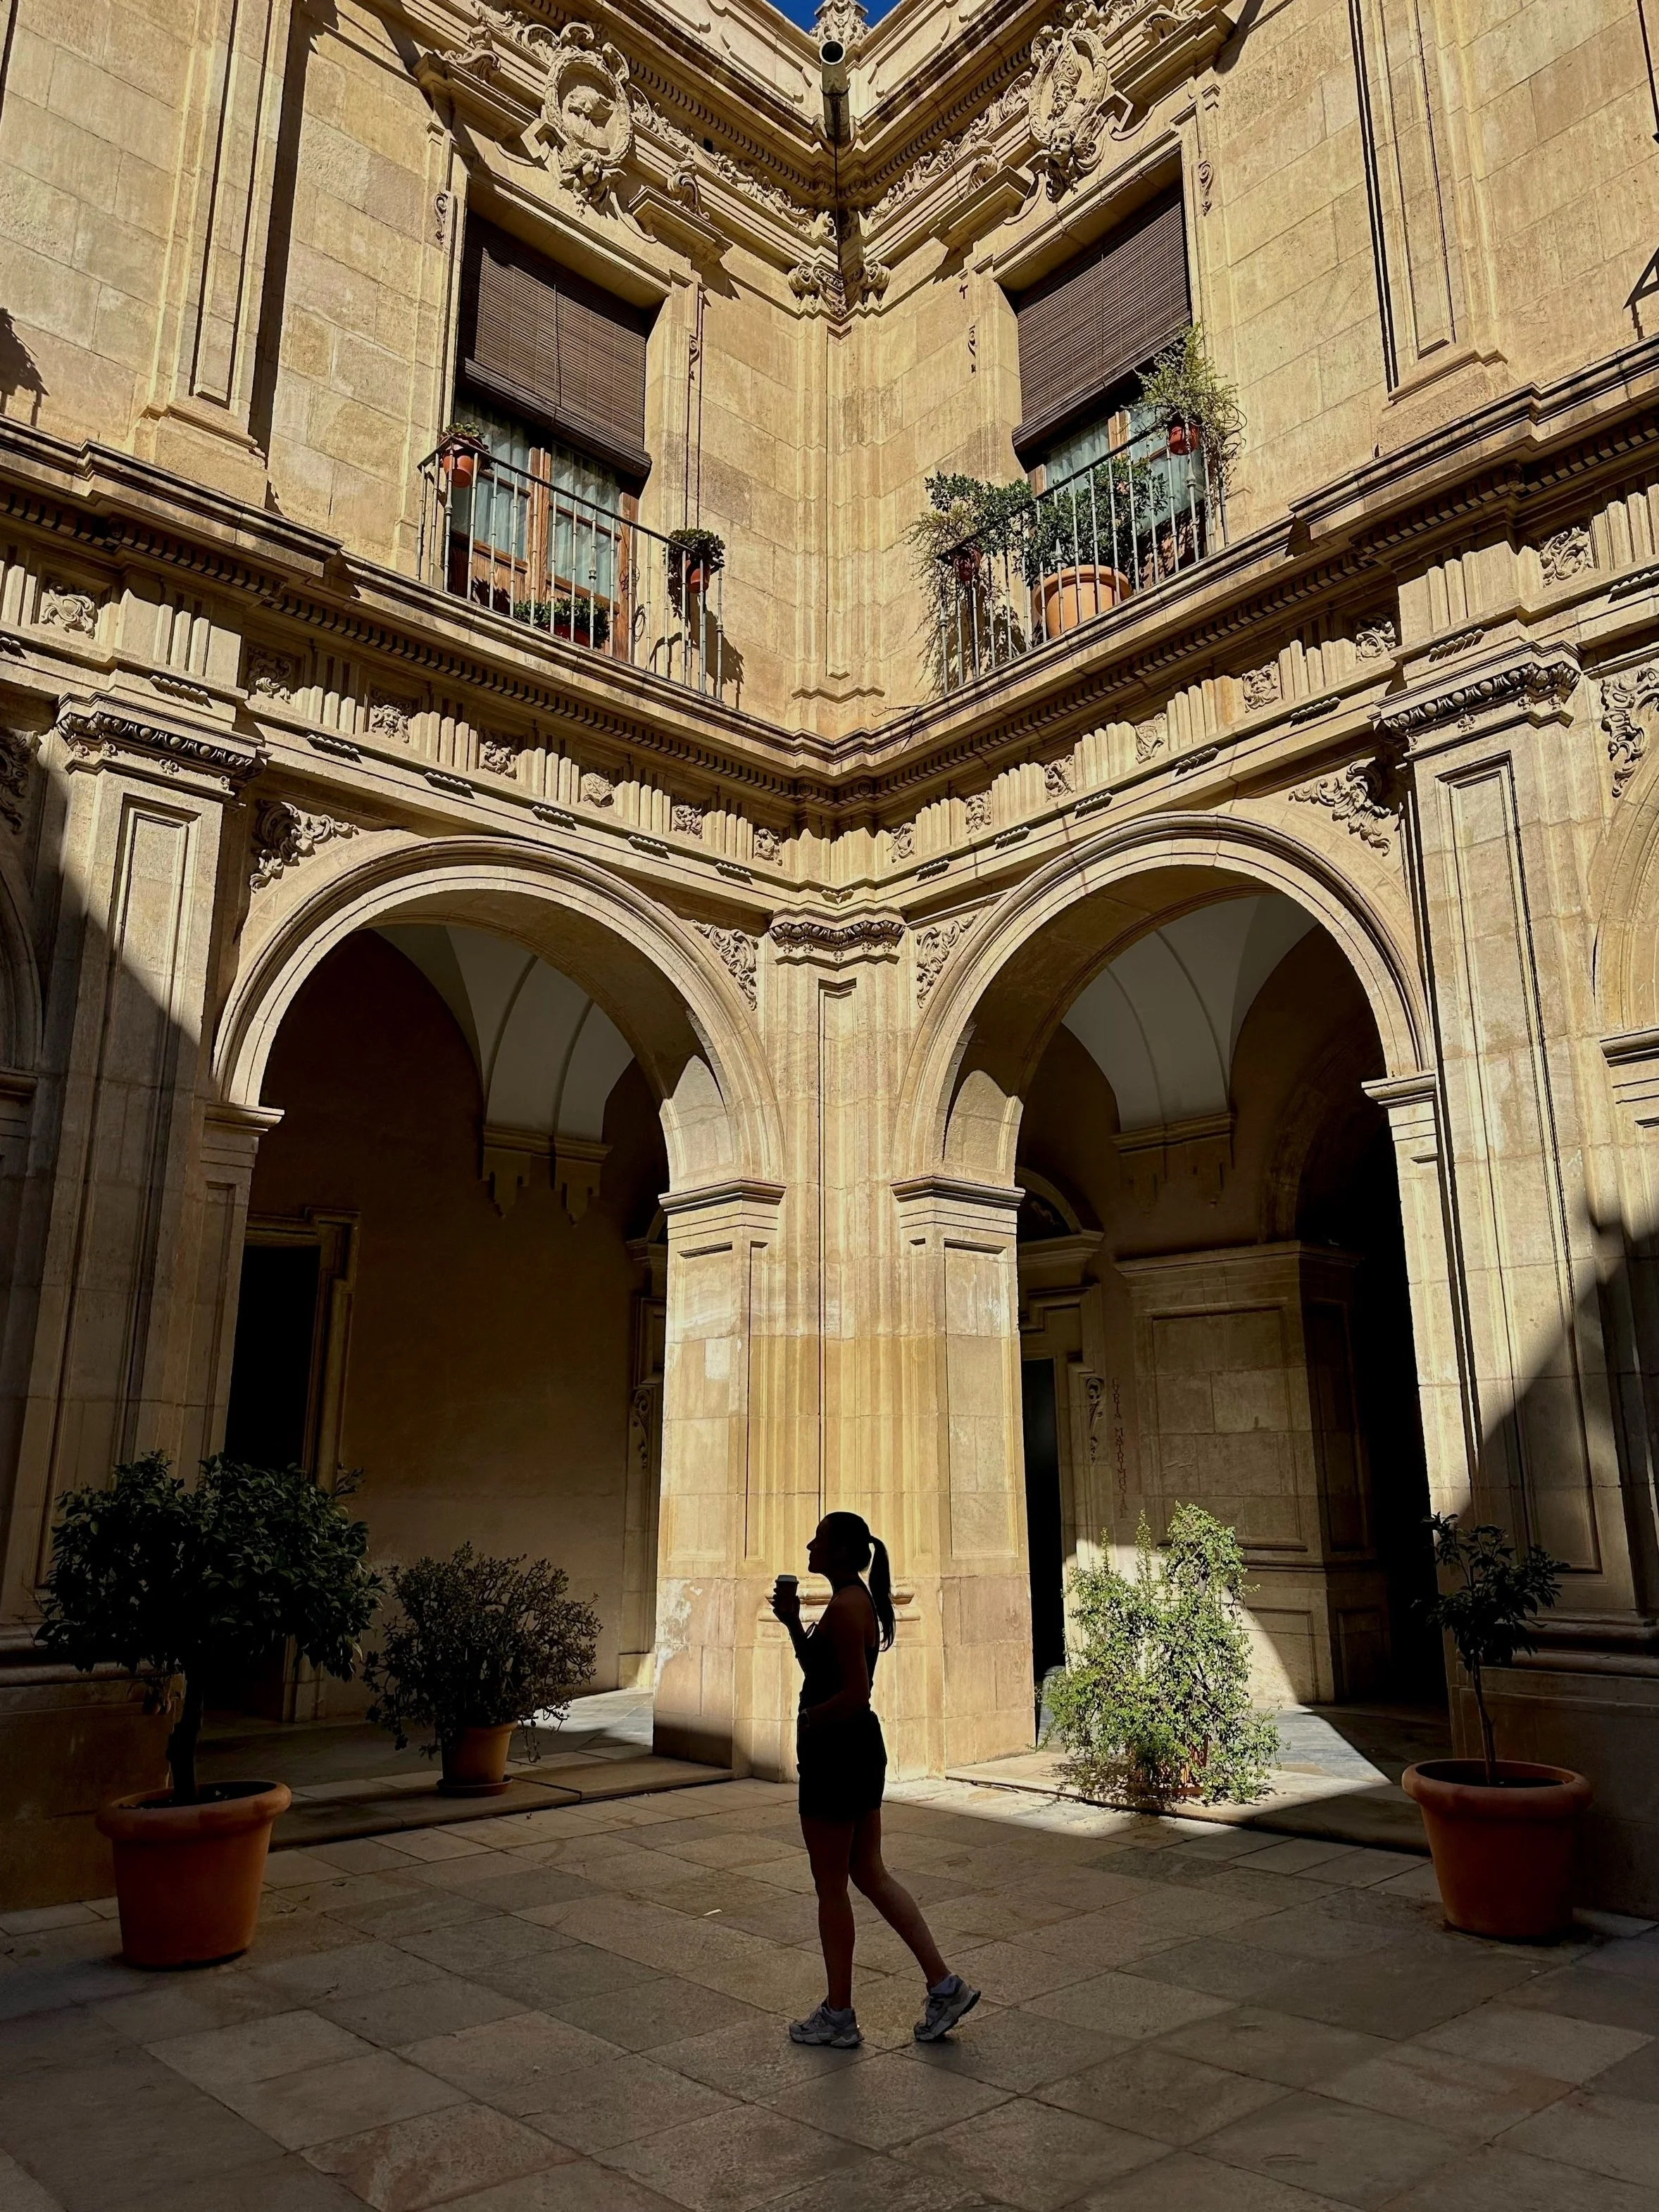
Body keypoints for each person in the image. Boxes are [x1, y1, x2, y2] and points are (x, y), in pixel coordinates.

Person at [770, 1512, 980, 2049]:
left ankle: (839, 2012)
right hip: (857, 1752)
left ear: (841, 1550)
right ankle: (943, 1984)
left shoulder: (846, 1608)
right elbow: (822, 1672)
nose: (809, 1544)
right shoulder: (849, 1603)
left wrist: (813, 1720)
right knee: (869, 1872)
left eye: (819, 1538)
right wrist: (794, 1623)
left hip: (837, 1755)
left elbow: (854, 1693)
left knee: (831, 1886)